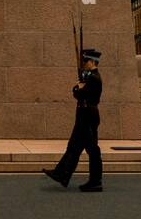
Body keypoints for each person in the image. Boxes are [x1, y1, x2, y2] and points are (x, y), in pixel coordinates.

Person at [43, 48, 103, 192]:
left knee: (92, 149)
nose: (84, 64)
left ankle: (95, 182)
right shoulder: (89, 77)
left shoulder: (94, 78)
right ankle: (61, 174)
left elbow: (80, 94)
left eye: (86, 61)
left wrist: (78, 89)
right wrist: (78, 88)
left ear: (93, 61)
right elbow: (78, 92)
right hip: (83, 114)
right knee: (74, 146)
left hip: (88, 115)